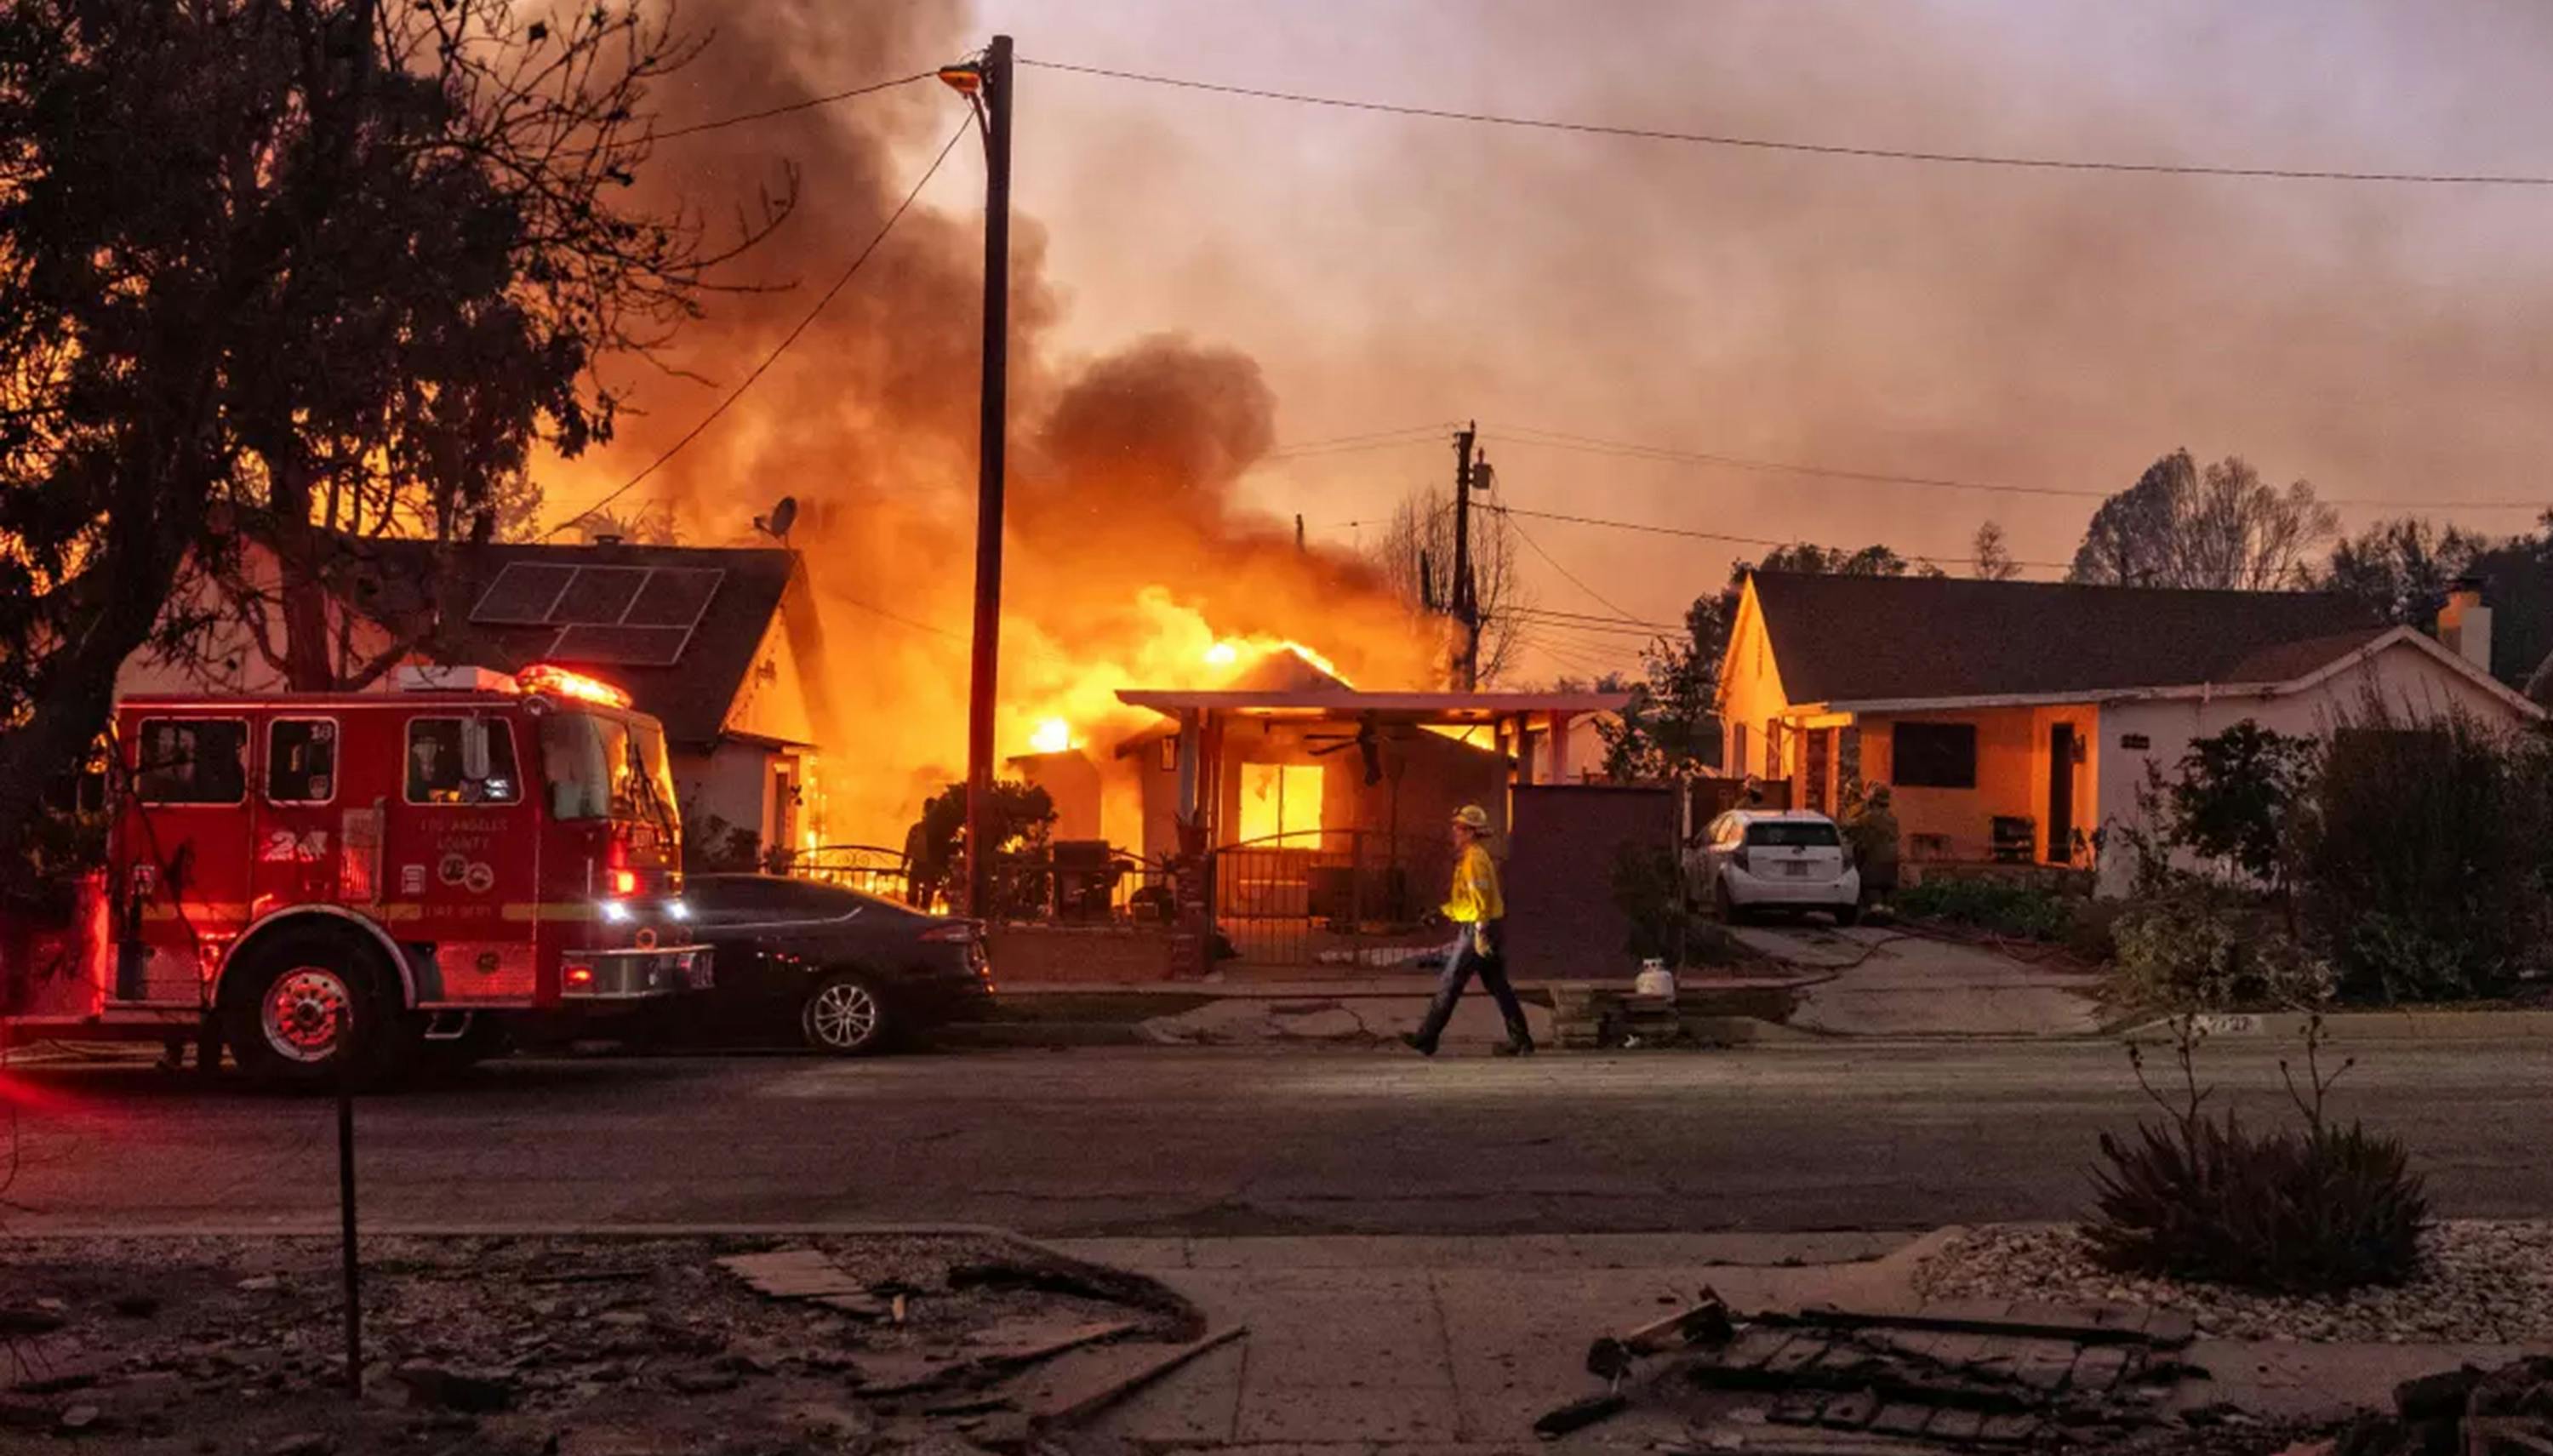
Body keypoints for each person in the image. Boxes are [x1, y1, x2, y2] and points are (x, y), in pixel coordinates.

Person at [1401, 804, 1534, 1057]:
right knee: (1498, 986)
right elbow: (1466, 900)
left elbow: (1480, 898)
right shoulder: (1472, 858)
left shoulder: (1474, 859)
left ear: (1471, 832)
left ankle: (1427, 1038)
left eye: (1460, 828)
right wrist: (1442, 912)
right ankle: (1522, 1040)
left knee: (1451, 981)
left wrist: (1481, 932)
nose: (1455, 831)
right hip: (1484, 926)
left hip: (1479, 929)